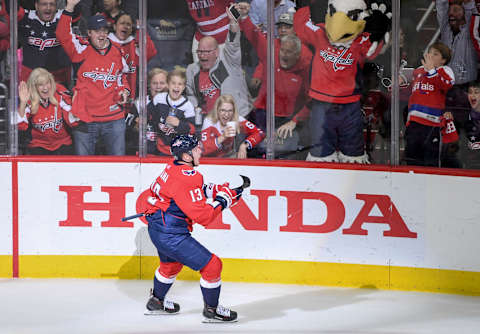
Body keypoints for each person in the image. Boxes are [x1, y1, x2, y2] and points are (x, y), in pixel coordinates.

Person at [143, 133, 241, 322]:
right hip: (171, 233)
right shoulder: (188, 176)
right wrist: (224, 200)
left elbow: (192, 189)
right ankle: (211, 310)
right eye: (196, 149)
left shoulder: (173, 167)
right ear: (186, 156)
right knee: (213, 265)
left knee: (170, 265)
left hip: (157, 228)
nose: (200, 151)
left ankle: (156, 301)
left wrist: (217, 190)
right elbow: (203, 216)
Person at [56, 0, 131, 156]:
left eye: (104, 30)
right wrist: (69, 7)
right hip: (85, 119)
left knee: (118, 167)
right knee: (84, 169)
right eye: (97, 31)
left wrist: (125, 91)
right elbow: (62, 35)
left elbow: (121, 78)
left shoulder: (118, 51)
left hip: (113, 118)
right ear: (89, 33)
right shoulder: (80, 49)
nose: (101, 35)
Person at [237, 8, 312, 159]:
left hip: (289, 118)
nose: (283, 54)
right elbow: (255, 37)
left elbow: (313, 98)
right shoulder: (271, 48)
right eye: (282, 50)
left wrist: (295, 121)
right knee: (249, 149)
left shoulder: (307, 60)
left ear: (298, 55)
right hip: (262, 112)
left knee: (288, 154)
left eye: (289, 52)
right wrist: (244, 17)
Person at [186, 7, 253, 123]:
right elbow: (191, 95)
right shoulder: (192, 70)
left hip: (237, 120)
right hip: (211, 123)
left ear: (217, 52)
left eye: (206, 52)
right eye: (200, 52)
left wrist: (233, 22)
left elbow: (233, 43)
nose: (202, 56)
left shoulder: (229, 61)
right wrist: (196, 111)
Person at [4, 0, 81, 86]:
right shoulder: (26, 17)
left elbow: (76, 7)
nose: (48, 8)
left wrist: (71, 4)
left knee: (61, 98)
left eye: (52, 4)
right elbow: (10, 7)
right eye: (44, 4)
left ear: (56, 6)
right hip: (31, 77)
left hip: (59, 77)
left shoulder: (64, 16)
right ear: (36, 6)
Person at [404, 42, 456, 166]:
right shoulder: (419, 70)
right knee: (412, 160)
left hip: (432, 125)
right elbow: (407, 79)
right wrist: (401, 78)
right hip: (414, 123)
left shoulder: (445, 70)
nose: (430, 55)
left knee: (430, 161)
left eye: (435, 54)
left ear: (443, 60)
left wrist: (432, 71)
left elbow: (447, 84)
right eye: (430, 52)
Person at [17, 67, 78, 155]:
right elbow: (21, 126)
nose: (45, 88)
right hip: (38, 145)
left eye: (47, 83)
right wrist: (23, 103)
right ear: (34, 87)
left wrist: (76, 104)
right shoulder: (29, 99)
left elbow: (72, 121)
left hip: (62, 143)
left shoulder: (60, 94)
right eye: (41, 85)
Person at [108, 12, 157, 100]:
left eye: (128, 24)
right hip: (108, 95)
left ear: (131, 29)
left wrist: (140, 30)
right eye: (122, 23)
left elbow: (150, 52)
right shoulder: (106, 43)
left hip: (129, 96)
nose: (125, 26)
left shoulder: (133, 44)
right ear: (115, 26)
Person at [147, 68, 196, 156]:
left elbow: (192, 129)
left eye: (180, 84)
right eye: (173, 83)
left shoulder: (188, 106)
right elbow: (149, 116)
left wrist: (178, 123)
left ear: (184, 87)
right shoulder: (159, 99)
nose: (176, 86)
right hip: (161, 147)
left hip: (179, 149)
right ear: (168, 85)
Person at [201, 94, 264, 158]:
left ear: (234, 111)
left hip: (228, 158)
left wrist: (244, 145)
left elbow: (260, 133)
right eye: (223, 110)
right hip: (210, 160)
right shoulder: (209, 121)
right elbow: (203, 149)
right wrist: (223, 137)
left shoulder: (237, 119)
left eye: (230, 111)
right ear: (217, 110)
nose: (226, 114)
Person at [125, 67, 168, 155]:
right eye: (155, 83)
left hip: (165, 152)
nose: (158, 86)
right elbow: (127, 125)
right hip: (143, 151)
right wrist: (135, 122)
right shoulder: (139, 102)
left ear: (168, 85)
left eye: (162, 83)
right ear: (149, 85)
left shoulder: (176, 103)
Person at [464, 80, 480, 168]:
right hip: (470, 168)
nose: (472, 95)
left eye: (476, 92)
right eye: (470, 92)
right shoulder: (464, 117)